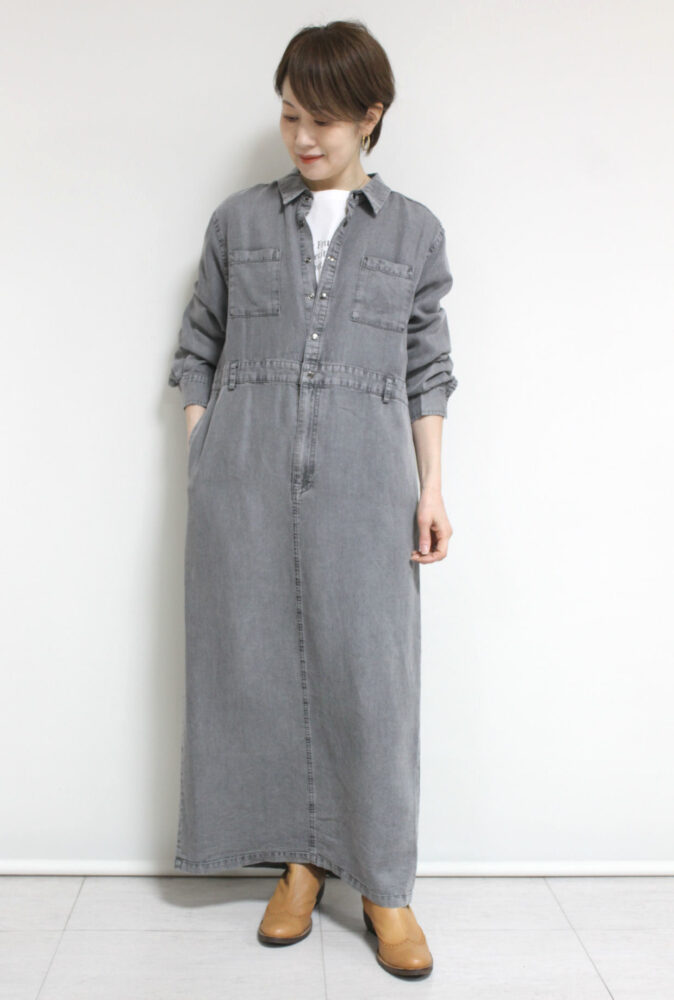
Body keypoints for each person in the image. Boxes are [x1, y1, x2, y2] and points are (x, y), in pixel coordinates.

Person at [167, 19, 458, 981]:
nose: (302, 137)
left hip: (368, 481)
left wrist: (432, 488)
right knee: (254, 668)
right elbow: (198, 344)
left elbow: (427, 368)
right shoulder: (239, 223)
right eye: (290, 114)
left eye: (323, 120)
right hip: (243, 480)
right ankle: (298, 866)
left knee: (372, 681)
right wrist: (205, 444)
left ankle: (384, 886)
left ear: (370, 117)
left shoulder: (413, 230)